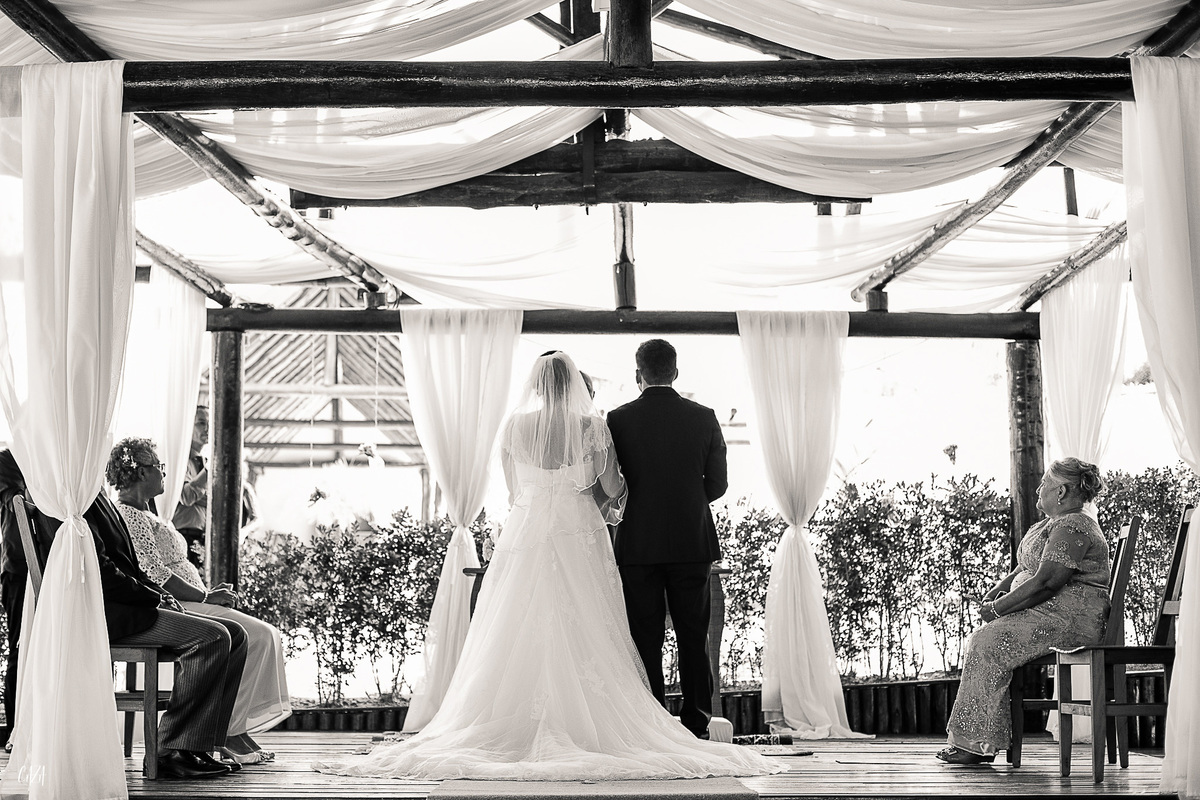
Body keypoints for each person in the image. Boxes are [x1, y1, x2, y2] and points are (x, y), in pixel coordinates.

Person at [314, 351, 781, 780]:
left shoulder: (523, 427)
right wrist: (614, 504)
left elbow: (515, 492)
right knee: (656, 632)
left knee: (557, 627)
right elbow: (628, 485)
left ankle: (604, 713)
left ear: (537, 384)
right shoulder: (603, 425)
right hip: (607, 533)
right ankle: (676, 722)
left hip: (533, 532)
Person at [108, 437, 290, 765]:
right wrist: (205, 595)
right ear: (137, 473)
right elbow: (155, 573)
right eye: (158, 467)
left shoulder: (147, 513)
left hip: (189, 601)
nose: (164, 473)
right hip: (178, 604)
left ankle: (228, 730)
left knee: (260, 634)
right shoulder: (130, 515)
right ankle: (227, 732)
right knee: (258, 636)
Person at [937, 457, 1112, 765]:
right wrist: (997, 590)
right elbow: (1027, 565)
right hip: (1052, 612)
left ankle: (975, 744)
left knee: (987, 642)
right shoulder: (1053, 523)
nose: (1037, 489)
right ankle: (977, 741)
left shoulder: (1074, 525)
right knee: (986, 638)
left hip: (1071, 618)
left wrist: (998, 608)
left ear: (1060, 492)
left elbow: (1047, 582)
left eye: (1044, 483)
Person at [605, 339, 727, 740]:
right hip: (692, 542)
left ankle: (652, 724)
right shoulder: (704, 416)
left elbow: (612, 483)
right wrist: (688, 505)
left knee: (644, 636)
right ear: (676, 372)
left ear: (638, 375)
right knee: (694, 635)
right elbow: (719, 484)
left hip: (638, 544)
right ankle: (697, 724)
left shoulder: (618, 420)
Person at [0, 450, 54, 745]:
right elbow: (17, 504)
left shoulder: (55, 453)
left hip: (56, 567)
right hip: (20, 569)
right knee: (23, 647)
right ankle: (16, 731)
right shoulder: (8, 460)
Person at [173, 405, 209, 570]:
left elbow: (216, 503)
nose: (208, 428)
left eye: (209, 422)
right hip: (184, 536)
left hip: (203, 537)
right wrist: (210, 470)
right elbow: (186, 497)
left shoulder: (202, 463)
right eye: (201, 423)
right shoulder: (180, 460)